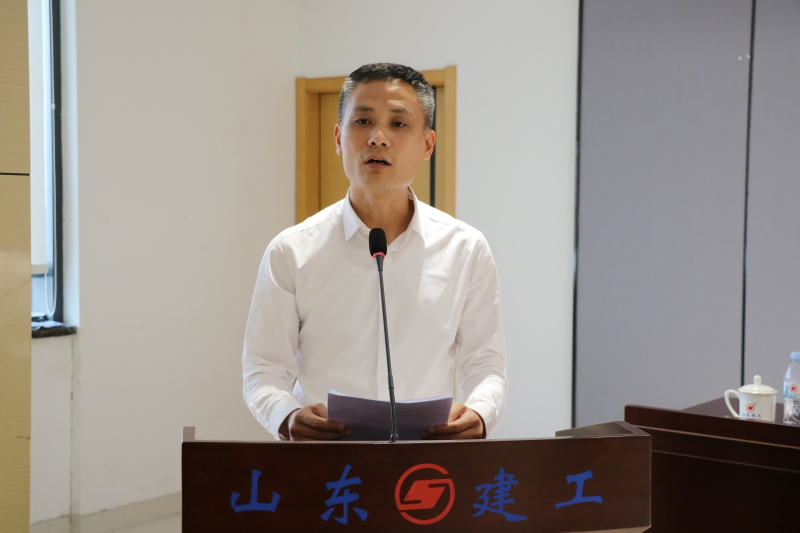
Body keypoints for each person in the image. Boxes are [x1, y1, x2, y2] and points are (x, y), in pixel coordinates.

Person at [242, 63, 508, 441]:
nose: (378, 138)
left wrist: (480, 413)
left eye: (398, 123)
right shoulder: (291, 251)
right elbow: (263, 369)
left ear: (427, 144)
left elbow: (486, 365)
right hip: (324, 459)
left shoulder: (466, 249)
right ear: (339, 137)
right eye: (363, 121)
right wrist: (285, 416)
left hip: (426, 461)